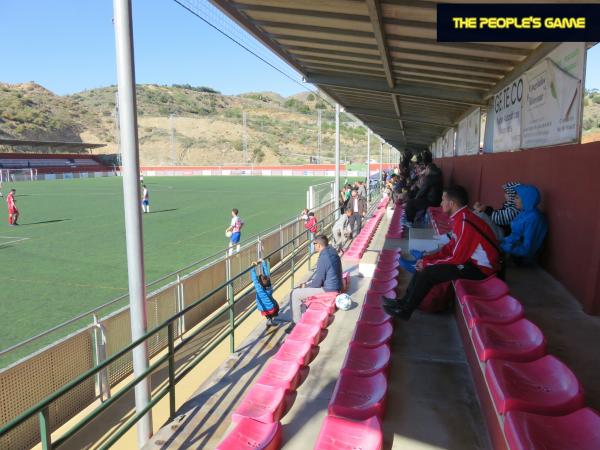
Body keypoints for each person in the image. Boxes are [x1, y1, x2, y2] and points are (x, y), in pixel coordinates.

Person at [383, 185, 500, 320]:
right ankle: (403, 303)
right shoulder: (461, 218)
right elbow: (450, 247)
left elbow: (456, 258)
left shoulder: (465, 222)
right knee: (424, 266)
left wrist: (428, 263)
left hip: (483, 270)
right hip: (471, 264)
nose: (440, 203)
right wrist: (429, 258)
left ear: (452, 204)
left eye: (443, 200)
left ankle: (405, 310)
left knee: (427, 272)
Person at [287, 234, 342, 330]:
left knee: (295, 293)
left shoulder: (323, 257)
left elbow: (317, 282)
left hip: (329, 289)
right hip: (335, 285)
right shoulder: (331, 251)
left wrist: (307, 287)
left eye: (314, 244)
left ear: (319, 245)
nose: (313, 245)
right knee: (304, 286)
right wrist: (307, 285)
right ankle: (301, 316)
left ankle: (296, 324)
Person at [500, 184, 548, 265]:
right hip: (514, 251)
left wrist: (504, 247)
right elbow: (515, 235)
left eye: (517, 198)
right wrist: (501, 242)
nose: (514, 200)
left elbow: (528, 249)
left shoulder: (534, 218)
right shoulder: (526, 212)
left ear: (527, 199)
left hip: (522, 259)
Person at [250, 259, 280, 328]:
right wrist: (263, 262)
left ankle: (269, 319)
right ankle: (271, 318)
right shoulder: (270, 287)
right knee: (275, 304)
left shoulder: (260, 290)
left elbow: (254, 280)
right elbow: (267, 275)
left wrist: (252, 267)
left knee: (267, 307)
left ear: (260, 283)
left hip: (263, 310)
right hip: (272, 308)